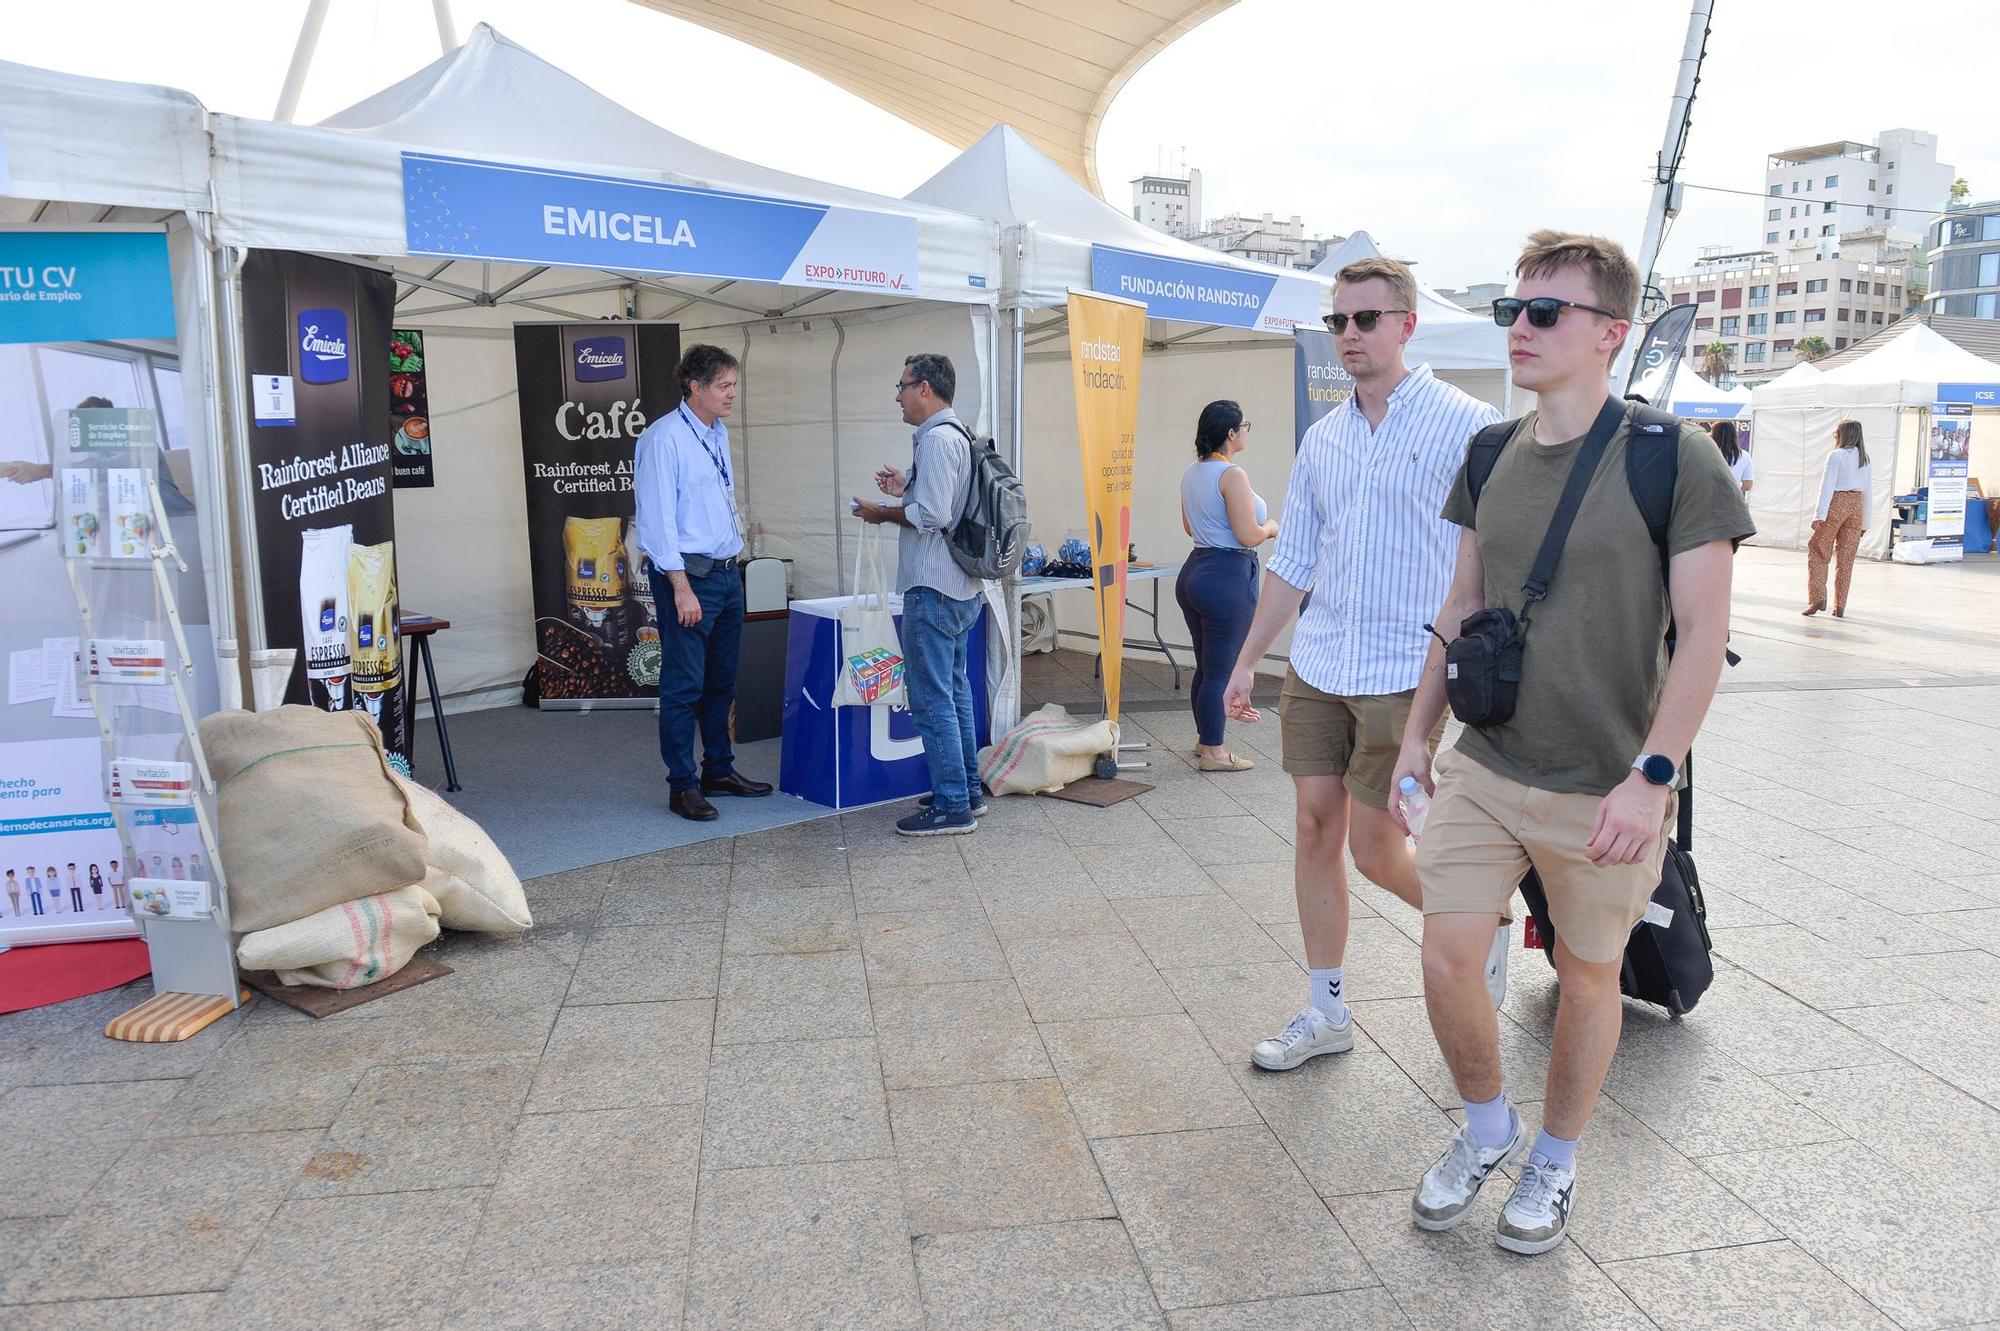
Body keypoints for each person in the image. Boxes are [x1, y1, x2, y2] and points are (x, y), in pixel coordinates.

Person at [1393, 230, 1751, 1256]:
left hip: (1606, 781)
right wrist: (1419, 732)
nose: (1520, 326)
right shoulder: (1487, 454)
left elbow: (1702, 637)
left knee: (1588, 974)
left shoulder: (1669, 457)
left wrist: (1651, 776)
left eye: (1544, 311)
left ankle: (1552, 1160)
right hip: (1487, 759)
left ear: (1608, 333)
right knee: (1445, 952)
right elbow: (1460, 605)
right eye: (1515, 307)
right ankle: (1484, 1126)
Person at [1221, 256, 1507, 1073]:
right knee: (1314, 825)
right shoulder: (1324, 437)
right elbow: (1295, 560)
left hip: (1404, 663)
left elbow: (1485, 558)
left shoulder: (1467, 422)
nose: (1348, 334)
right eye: (1338, 321)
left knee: (1378, 851)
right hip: (1320, 660)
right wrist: (1246, 662)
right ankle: (1327, 1008)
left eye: (1365, 319)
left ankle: (1476, 924)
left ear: (1406, 325)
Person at [854, 352, 995, 837]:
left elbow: (932, 515)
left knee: (931, 697)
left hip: (933, 587)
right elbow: (946, 499)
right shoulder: (959, 434)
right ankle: (966, 791)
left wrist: (883, 511)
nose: (898, 394)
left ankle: (953, 804)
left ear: (926, 389)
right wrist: (908, 484)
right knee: (954, 692)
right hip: (961, 586)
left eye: (902, 385)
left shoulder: (937, 438)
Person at [633, 343, 773, 821]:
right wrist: (680, 586)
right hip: (688, 576)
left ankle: (718, 768)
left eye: (734, 384)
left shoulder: (717, 433)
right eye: (724, 386)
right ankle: (682, 785)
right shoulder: (663, 438)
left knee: (720, 681)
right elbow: (656, 522)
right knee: (683, 685)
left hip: (726, 573)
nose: (733, 394)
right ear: (695, 387)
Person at [1177, 401, 1277, 772]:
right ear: (1231, 433)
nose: (1247, 431)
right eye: (1244, 425)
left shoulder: (1192, 472)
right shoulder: (1232, 474)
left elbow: (1190, 527)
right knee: (1221, 669)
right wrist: (1272, 528)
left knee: (1207, 667)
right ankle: (1215, 751)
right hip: (1227, 574)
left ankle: (1206, 740)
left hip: (1196, 569)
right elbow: (1248, 535)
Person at [1805, 419, 1870, 618]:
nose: (1835, 434)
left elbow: (1827, 486)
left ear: (1843, 434)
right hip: (1856, 505)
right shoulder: (1865, 458)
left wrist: (1819, 515)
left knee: (1818, 550)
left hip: (1837, 503)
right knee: (1846, 559)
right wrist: (1865, 521)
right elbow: (1869, 491)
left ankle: (1818, 597)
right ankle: (1839, 605)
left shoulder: (1836, 456)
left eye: (1837, 432)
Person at [1713, 420, 1752, 493]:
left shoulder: (1709, 453)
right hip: (1733, 499)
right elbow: (1747, 485)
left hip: (1708, 497)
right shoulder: (1744, 455)